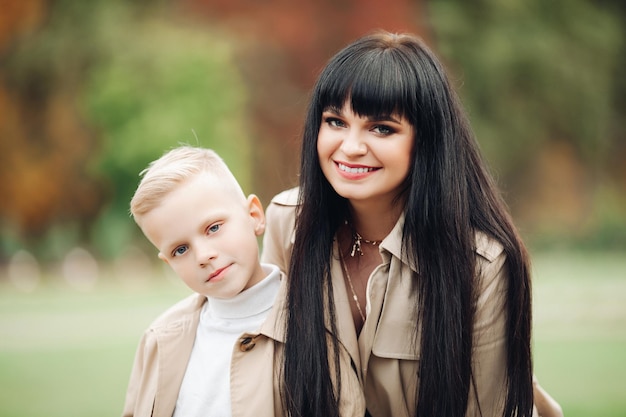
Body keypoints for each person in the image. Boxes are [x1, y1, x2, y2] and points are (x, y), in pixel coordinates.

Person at [261, 31, 563, 417]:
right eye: (335, 121)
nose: (350, 146)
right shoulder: (288, 221)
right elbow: (266, 371)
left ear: (426, 142)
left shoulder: (483, 264)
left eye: (382, 128)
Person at [121, 145, 365, 417]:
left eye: (213, 228)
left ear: (254, 217)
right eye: (180, 250)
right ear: (168, 262)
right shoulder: (160, 339)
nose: (203, 256)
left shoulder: (317, 327)